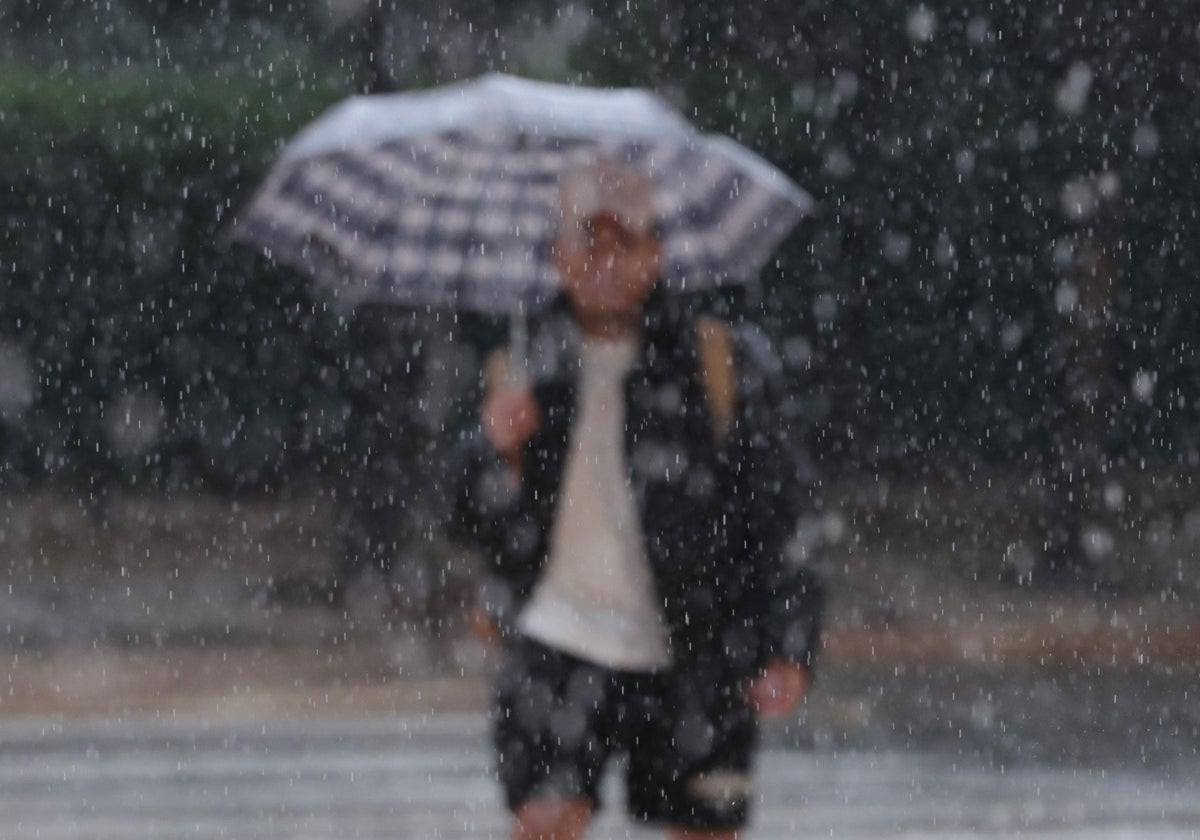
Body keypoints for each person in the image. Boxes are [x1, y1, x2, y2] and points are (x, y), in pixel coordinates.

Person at [451, 160, 823, 839]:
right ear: (557, 255)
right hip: (556, 641)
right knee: (544, 821)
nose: (606, 260)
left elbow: (781, 512)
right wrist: (493, 447)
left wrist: (789, 643)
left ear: (657, 253)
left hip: (695, 643)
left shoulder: (717, 362)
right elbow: (472, 520)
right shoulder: (522, 366)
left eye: (626, 240)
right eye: (587, 240)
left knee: (704, 826)